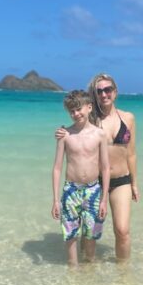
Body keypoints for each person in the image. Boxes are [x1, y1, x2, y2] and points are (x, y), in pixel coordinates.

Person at [56, 73, 139, 263]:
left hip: (121, 180)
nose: (104, 94)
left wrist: (134, 183)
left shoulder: (128, 118)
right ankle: (87, 274)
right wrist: (61, 131)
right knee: (88, 233)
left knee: (122, 230)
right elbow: (73, 129)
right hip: (95, 183)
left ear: (115, 92)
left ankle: (124, 275)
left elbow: (132, 153)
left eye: (107, 90)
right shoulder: (90, 118)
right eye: (99, 91)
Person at [52, 90, 110, 267]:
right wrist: (56, 200)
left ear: (89, 107)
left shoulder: (100, 134)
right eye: (71, 111)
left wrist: (104, 199)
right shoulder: (65, 136)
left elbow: (106, 168)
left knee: (91, 233)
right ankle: (73, 269)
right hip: (71, 190)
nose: (75, 114)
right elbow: (56, 168)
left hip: (93, 190)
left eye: (78, 109)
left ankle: (89, 269)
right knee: (70, 233)